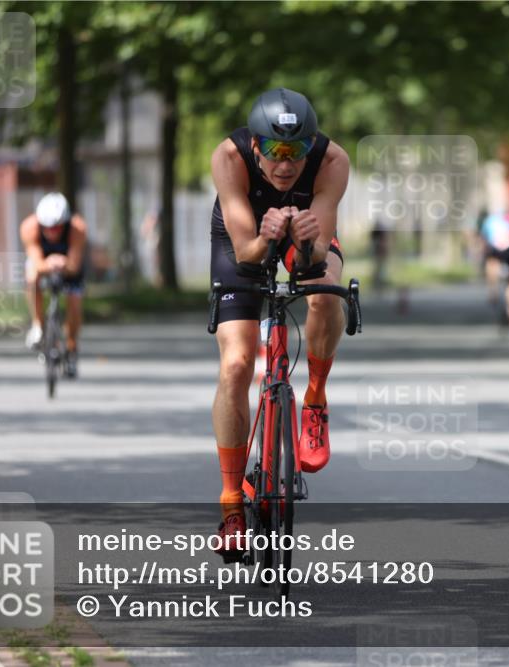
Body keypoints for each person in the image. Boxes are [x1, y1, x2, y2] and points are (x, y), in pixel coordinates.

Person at [209, 88, 349, 559]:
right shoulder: (229, 157)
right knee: (236, 364)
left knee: (326, 290)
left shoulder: (332, 162)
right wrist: (265, 235)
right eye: (274, 150)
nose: (285, 163)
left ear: (311, 145)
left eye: (296, 150)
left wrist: (306, 243)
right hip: (244, 240)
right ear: (255, 145)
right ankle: (232, 504)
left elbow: (316, 257)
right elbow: (246, 251)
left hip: (305, 234)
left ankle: (315, 399)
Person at [20, 192, 87, 378]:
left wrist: (64, 264)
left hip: (69, 266)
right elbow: (36, 261)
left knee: (74, 302)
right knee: (32, 277)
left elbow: (74, 265)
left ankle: (72, 347)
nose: (52, 232)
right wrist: (48, 264)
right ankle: (38, 325)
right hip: (43, 263)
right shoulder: (29, 228)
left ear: (65, 223)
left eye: (57, 228)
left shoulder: (77, 228)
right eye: (47, 228)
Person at [479, 211, 509, 325]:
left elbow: (484, 240)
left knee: (491, 265)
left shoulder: (488, 221)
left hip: (497, 248)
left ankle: (493, 290)